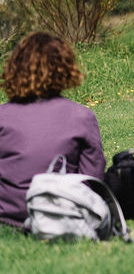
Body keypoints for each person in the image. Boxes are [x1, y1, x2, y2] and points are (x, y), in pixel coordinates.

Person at [0, 32, 105, 227]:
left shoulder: (2, 116)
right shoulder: (82, 116)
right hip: (64, 211)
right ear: (64, 68)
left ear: (14, 68)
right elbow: (93, 179)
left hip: (9, 216)